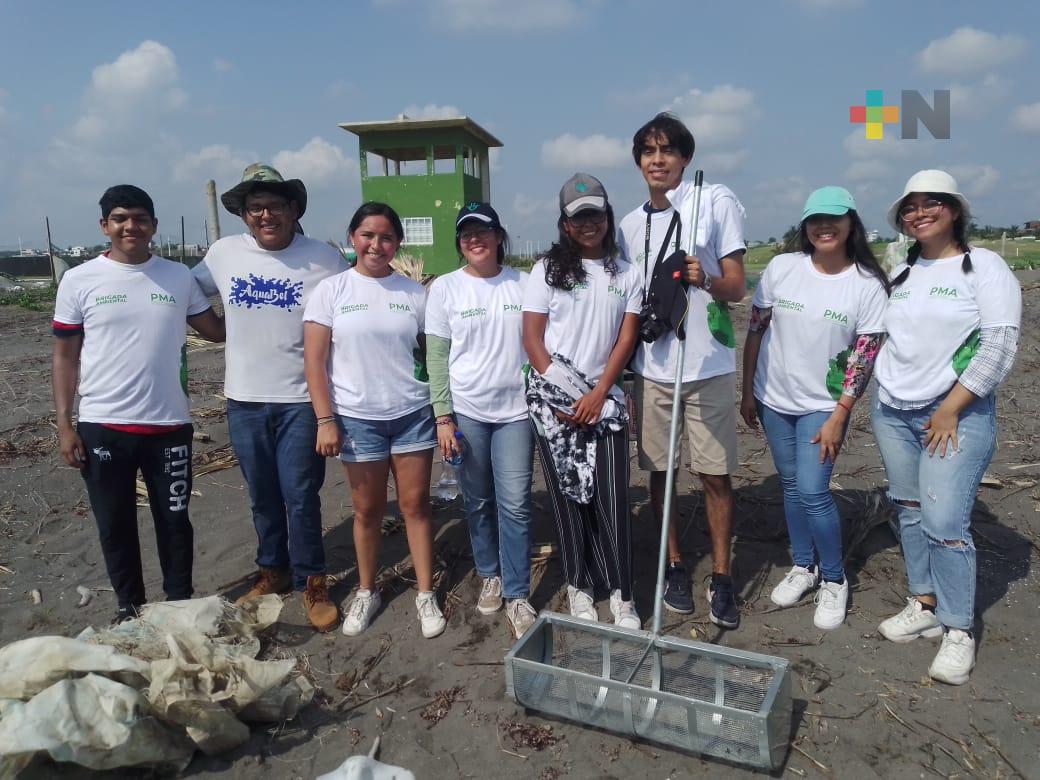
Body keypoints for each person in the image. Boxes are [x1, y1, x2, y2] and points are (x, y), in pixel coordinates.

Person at [871, 170, 1020, 684]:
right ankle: (924, 603)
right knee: (908, 511)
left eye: (931, 203)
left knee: (945, 524)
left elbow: (1000, 347)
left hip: (954, 412)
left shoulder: (985, 266)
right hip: (892, 408)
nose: (919, 213)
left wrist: (952, 407)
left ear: (954, 209)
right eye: (910, 207)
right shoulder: (902, 269)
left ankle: (959, 628)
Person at [52, 184, 224, 622]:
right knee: (116, 526)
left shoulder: (178, 277)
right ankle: (129, 608)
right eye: (120, 218)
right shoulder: (79, 279)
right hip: (103, 424)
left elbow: (215, 331)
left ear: (154, 225)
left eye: (140, 218)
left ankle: (180, 604)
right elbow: (65, 356)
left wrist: (259, 304)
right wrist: (65, 425)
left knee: (174, 521)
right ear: (105, 225)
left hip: (169, 426)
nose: (131, 226)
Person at [192, 164, 346, 633]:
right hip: (244, 399)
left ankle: (311, 581)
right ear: (242, 213)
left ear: (293, 209)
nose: (266, 214)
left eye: (276, 205)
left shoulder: (324, 256)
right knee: (262, 495)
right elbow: (186, 292)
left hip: (303, 400)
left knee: (300, 495)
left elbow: (352, 306)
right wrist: (218, 331)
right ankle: (272, 571)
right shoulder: (222, 254)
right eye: (255, 207)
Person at [617, 113, 747, 627]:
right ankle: (674, 565)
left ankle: (721, 574)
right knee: (660, 472)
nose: (657, 159)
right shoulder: (628, 225)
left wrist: (707, 278)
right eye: (648, 151)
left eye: (667, 150)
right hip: (652, 370)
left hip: (709, 365)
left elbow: (737, 285)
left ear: (685, 158)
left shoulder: (714, 200)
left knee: (715, 473)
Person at [740, 187, 889, 630]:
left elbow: (863, 358)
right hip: (773, 399)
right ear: (804, 226)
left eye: (834, 219)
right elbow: (755, 331)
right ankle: (802, 566)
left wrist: (840, 414)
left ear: (850, 224)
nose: (824, 227)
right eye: (814, 220)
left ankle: (834, 578)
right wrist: (747, 391)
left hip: (822, 406)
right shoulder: (783, 268)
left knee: (813, 490)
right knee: (789, 484)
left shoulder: (866, 285)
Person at [303, 202, 446, 639]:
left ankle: (425, 593)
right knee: (366, 511)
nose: (376, 245)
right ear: (352, 238)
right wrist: (325, 419)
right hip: (357, 418)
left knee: (415, 507)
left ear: (397, 243)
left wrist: (443, 412)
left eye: (386, 237)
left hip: (411, 414)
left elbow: (434, 354)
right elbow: (314, 362)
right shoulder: (331, 291)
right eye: (367, 235)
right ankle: (367, 589)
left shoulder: (414, 294)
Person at [522, 173, 643, 629]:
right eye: (579, 217)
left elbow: (625, 340)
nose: (589, 224)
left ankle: (622, 591)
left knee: (612, 500)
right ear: (566, 225)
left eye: (596, 214)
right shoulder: (546, 271)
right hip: (555, 403)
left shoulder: (627, 273)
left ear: (608, 218)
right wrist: (572, 397)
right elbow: (533, 342)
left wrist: (596, 396)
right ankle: (579, 583)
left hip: (606, 401)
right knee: (570, 499)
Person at [425, 203, 536, 638]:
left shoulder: (524, 285)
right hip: (467, 411)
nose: (476, 239)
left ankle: (518, 591)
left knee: (515, 502)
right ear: (459, 242)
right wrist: (442, 417)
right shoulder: (446, 290)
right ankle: (489, 572)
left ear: (498, 236)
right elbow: (437, 357)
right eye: (467, 233)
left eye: (484, 231)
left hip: (516, 413)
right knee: (478, 500)